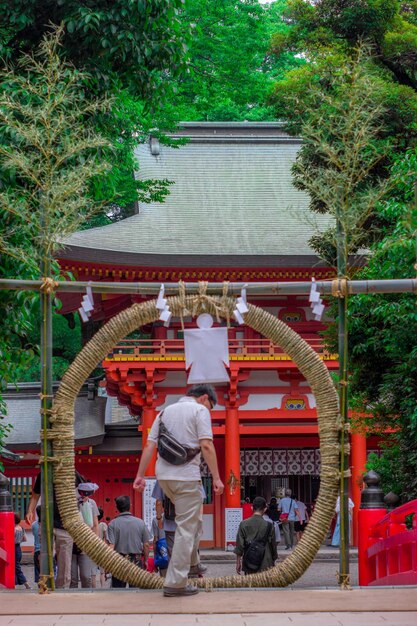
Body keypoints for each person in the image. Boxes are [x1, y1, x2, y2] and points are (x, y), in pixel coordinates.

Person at [133, 384, 224, 597]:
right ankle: (176, 583)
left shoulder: (164, 412)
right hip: (186, 477)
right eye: (211, 406)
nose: (209, 410)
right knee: (186, 527)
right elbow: (207, 445)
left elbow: (149, 446)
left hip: (163, 477)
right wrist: (217, 478)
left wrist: (139, 475)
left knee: (193, 521)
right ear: (204, 398)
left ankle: (193, 563)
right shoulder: (200, 411)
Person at [25, 470, 85, 588]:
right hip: (46, 522)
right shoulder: (44, 472)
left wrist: (84, 497)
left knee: (65, 561)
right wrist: (29, 511)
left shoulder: (71, 471)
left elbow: (83, 491)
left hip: (66, 524)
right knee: (45, 556)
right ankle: (45, 585)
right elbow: (35, 495)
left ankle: (62, 588)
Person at [152, 480, 207, 578]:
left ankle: (175, 579)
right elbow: (199, 502)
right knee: (189, 550)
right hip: (189, 522)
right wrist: (199, 522)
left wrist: (159, 519)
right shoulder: (193, 475)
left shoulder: (163, 477)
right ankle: (192, 572)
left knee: (173, 555)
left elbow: (159, 502)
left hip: (170, 524)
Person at [107, 495, 151, 588]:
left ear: (117, 508)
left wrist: (108, 563)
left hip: (119, 561)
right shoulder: (140, 522)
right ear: (130, 506)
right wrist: (146, 560)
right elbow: (146, 544)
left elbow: (111, 545)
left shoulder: (112, 524)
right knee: (136, 590)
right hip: (136, 560)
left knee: (118, 591)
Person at [235, 496, 277, 575]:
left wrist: (238, 562)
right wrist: (273, 559)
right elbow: (273, 545)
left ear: (252, 508)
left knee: (251, 585)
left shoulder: (243, 524)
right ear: (265, 509)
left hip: (250, 562)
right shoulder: (269, 525)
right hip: (266, 562)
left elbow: (239, 545)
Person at [70, 482, 99, 589]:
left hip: (86, 543)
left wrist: (95, 541)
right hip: (71, 542)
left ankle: (87, 596)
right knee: (72, 577)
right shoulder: (71, 504)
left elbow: (95, 525)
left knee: (86, 576)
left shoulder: (92, 503)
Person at [14, 512, 30, 589]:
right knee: (16, 566)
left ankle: (25, 582)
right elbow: (25, 539)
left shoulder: (13, 529)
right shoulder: (22, 528)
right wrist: (19, 540)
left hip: (13, 548)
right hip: (19, 548)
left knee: (16, 567)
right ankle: (15, 582)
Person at [96, 507, 109, 587]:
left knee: (93, 571)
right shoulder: (103, 525)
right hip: (102, 549)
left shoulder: (90, 525)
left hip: (93, 548)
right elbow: (106, 537)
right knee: (102, 572)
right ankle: (103, 587)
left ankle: (93, 587)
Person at [32, 505, 41, 584]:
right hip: (47, 551)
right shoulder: (48, 524)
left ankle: (40, 586)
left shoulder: (34, 525)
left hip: (37, 550)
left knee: (38, 570)